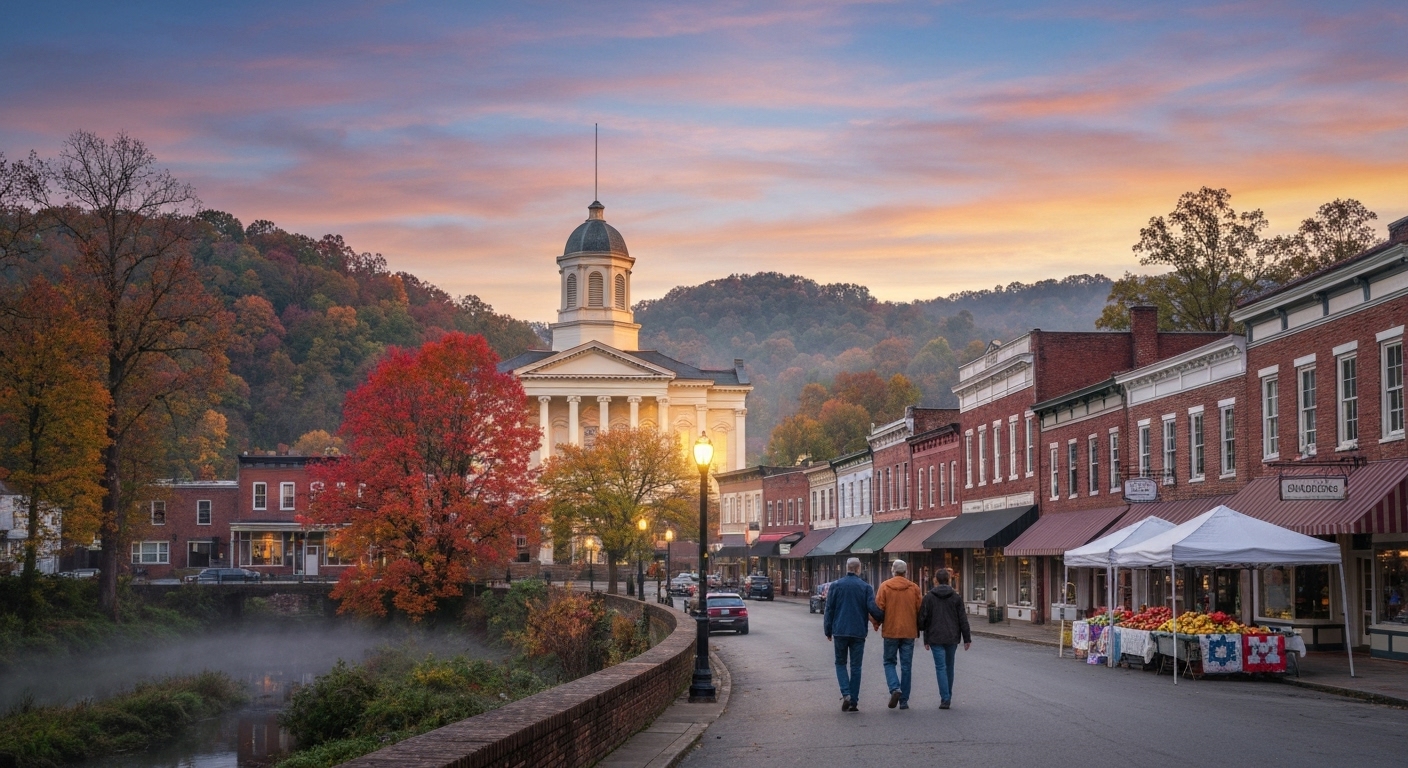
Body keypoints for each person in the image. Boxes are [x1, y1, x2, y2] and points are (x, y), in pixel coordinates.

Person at [824, 557, 884, 712]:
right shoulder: (865, 587)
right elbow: (872, 608)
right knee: (856, 666)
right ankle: (854, 701)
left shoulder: (836, 586)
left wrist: (828, 630)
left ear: (847, 568)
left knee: (840, 663)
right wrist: (883, 617)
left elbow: (829, 609)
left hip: (840, 630)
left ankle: (846, 693)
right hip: (858, 632)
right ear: (859, 569)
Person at [917, 567, 971, 709]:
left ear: (935, 580)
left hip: (935, 636)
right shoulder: (956, 597)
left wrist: (925, 637)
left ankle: (945, 698)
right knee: (950, 666)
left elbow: (923, 619)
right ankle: (948, 695)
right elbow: (962, 619)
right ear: (949, 579)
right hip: (952, 636)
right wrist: (967, 638)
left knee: (940, 667)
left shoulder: (928, 597)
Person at [875, 559, 923, 710]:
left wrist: (876, 623)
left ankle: (895, 688)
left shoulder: (885, 587)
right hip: (909, 631)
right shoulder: (914, 588)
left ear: (893, 570)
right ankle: (904, 701)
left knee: (889, 662)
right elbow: (920, 609)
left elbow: (878, 608)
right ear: (906, 572)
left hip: (891, 630)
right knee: (906, 666)